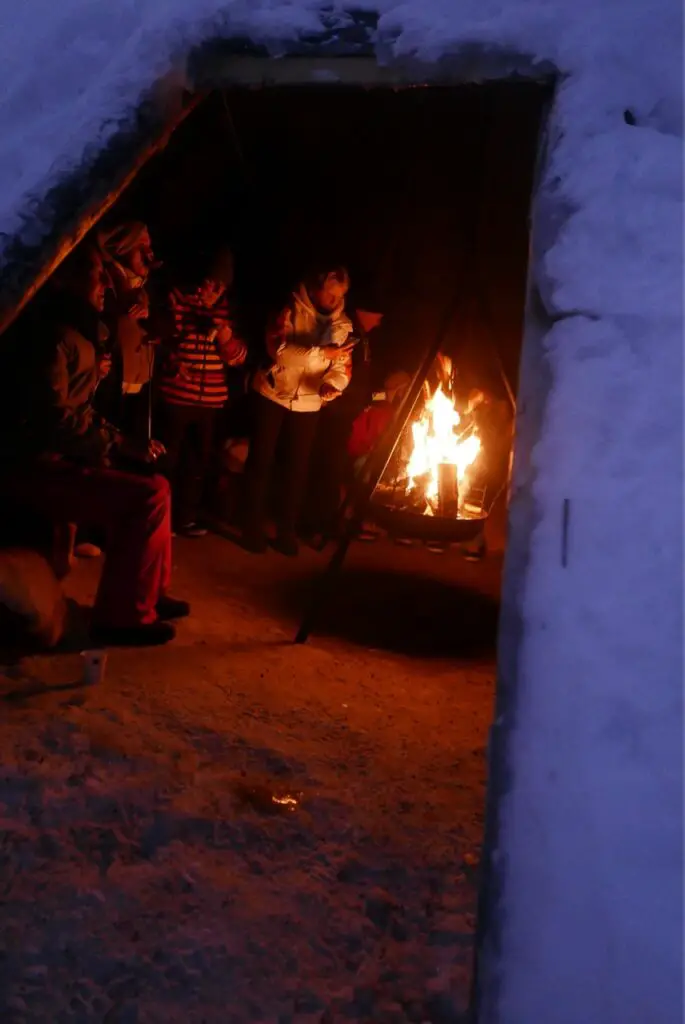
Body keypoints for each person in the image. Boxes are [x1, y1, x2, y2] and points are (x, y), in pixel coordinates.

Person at [0, 242, 189, 647]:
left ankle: (149, 594)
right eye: (95, 272)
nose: (106, 281)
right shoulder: (51, 336)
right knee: (147, 497)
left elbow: (78, 409)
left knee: (158, 484)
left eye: (106, 272)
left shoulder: (82, 330)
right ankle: (122, 617)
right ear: (64, 278)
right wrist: (115, 442)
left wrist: (123, 441)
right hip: (35, 465)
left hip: (61, 453)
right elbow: (52, 418)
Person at [243, 265, 354, 556]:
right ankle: (251, 527)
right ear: (316, 287)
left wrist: (333, 384)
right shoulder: (288, 310)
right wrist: (321, 355)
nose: (331, 301)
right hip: (272, 391)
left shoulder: (342, 326)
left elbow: (342, 367)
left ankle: (286, 531)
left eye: (337, 297)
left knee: (297, 468)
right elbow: (279, 351)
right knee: (261, 461)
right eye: (328, 294)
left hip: (308, 401)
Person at [157, 245, 247, 537]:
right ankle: (159, 518)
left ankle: (185, 517)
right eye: (209, 281)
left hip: (210, 400)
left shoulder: (228, 313)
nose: (212, 289)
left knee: (197, 462)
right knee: (167, 459)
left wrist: (225, 336)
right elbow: (160, 340)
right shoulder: (178, 299)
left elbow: (238, 358)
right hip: (176, 395)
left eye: (219, 285)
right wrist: (174, 360)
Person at [303, 286, 386, 544]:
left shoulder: (362, 336)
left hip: (345, 412)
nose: (381, 319)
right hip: (333, 411)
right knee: (327, 467)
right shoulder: (343, 329)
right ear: (364, 312)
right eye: (377, 314)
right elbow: (326, 363)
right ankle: (316, 524)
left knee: (333, 467)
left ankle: (324, 521)